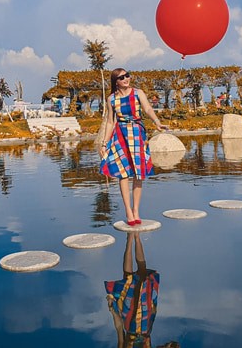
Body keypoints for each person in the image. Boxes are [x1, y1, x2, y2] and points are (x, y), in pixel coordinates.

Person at [99, 68, 168, 225]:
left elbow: (148, 109)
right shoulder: (111, 99)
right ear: (116, 81)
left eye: (127, 75)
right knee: (123, 174)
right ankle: (128, 212)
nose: (126, 79)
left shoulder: (138, 93)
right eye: (122, 77)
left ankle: (136, 210)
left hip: (137, 133)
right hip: (120, 135)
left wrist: (157, 122)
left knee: (138, 173)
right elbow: (110, 121)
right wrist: (104, 142)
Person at [105, 232, 159, 348]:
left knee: (127, 278)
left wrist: (113, 311)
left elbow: (120, 330)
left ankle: (129, 241)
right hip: (146, 323)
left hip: (130, 322)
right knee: (143, 275)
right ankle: (137, 237)